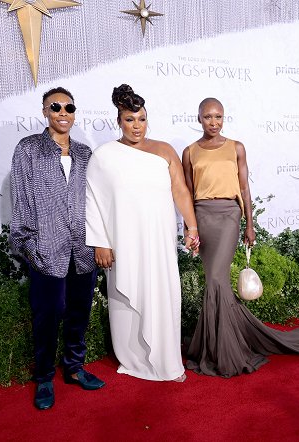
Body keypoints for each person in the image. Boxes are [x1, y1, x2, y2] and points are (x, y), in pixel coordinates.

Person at [183, 98, 299, 378]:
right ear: (198, 118)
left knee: (217, 279)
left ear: (224, 118)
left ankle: (226, 348)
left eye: (218, 117)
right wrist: (188, 226)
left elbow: (244, 188)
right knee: (214, 281)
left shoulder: (236, 147)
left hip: (229, 215)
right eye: (207, 117)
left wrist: (250, 224)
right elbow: (187, 193)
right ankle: (219, 343)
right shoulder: (189, 152)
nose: (213, 122)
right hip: (202, 217)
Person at [85, 84, 199, 382]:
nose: (137, 126)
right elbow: (93, 201)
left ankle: (167, 362)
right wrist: (100, 243)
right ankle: (134, 359)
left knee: (164, 296)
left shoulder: (164, 151)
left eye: (142, 119)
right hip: (124, 243)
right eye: (129, 120)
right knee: (127, 298)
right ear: (118, 121)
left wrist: (192, 226)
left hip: (159, 242)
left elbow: (181, 192)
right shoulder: (104, 156)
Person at [10, 87, 105, 411]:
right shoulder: (28, 149)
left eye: (69, 107)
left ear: (74, 113)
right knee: (47, 316)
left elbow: (95, 202)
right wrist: (28, 245)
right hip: (46, 248)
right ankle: (45, 377)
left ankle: (75, 368)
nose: (63, 113)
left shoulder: (85, 153)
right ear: (45, 111)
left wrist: (99, 240)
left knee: (79, 312)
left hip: (82, 247)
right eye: (56, 107)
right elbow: (21, 199)